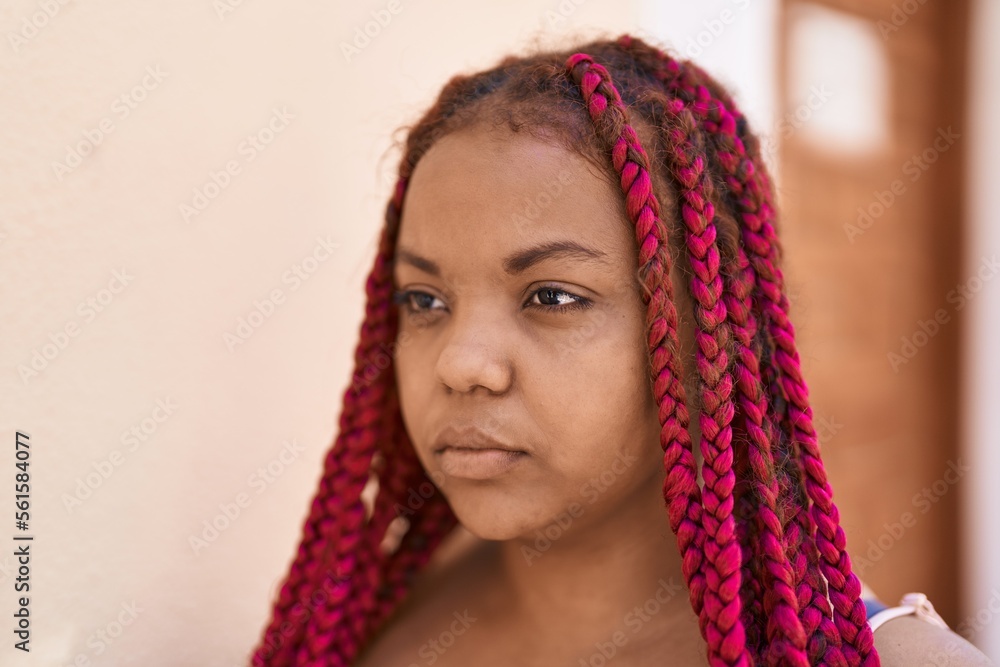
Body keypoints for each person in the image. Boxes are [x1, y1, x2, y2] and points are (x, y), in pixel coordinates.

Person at [250, 34, 993, 666]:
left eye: (551, 297)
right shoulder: (363, 617)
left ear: (706, 337)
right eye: (425, 301)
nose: (461, 363)